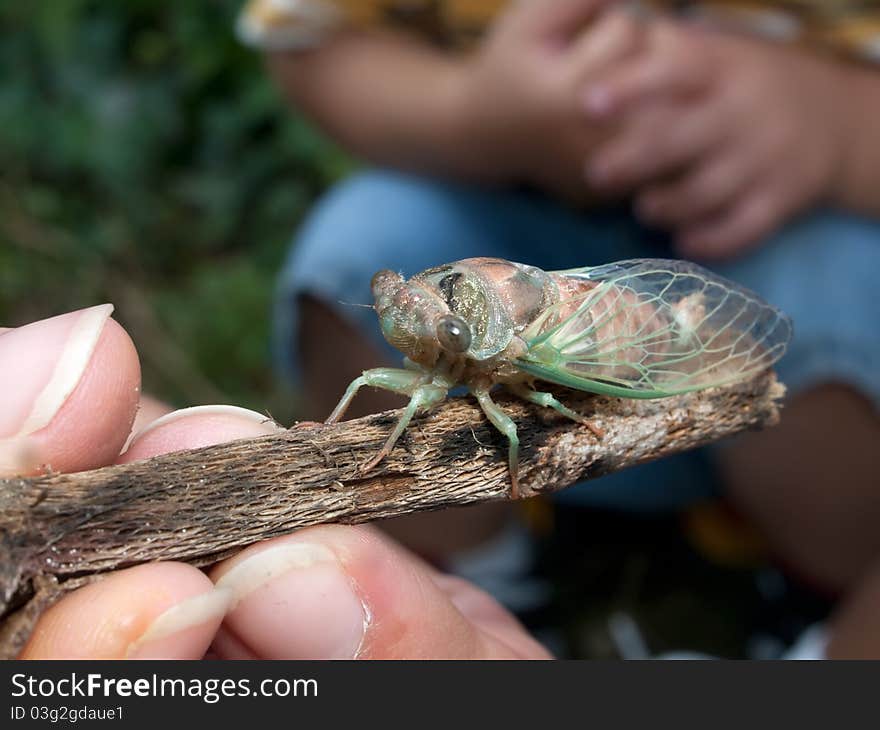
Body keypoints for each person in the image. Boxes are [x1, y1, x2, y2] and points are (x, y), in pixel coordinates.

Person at [262, 0, 880, 599]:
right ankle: (482, 574)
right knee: (348, 251)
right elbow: (302, 37)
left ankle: (822, 594)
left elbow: (522, 408)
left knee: (809, 327)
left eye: (443, 329)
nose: (412, 322)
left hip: (797, 227)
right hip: (509, 190)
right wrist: (473, 113)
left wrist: (847, 124)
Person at [0, 307, 877, 658]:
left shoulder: (511, 351)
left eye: (435, 326)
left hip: (576, 341)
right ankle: (522, 572)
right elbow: (398, 379)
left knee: (542, 415)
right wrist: (337, 441)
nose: (414, 343)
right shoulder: (432, 362)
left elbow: (513, 411)